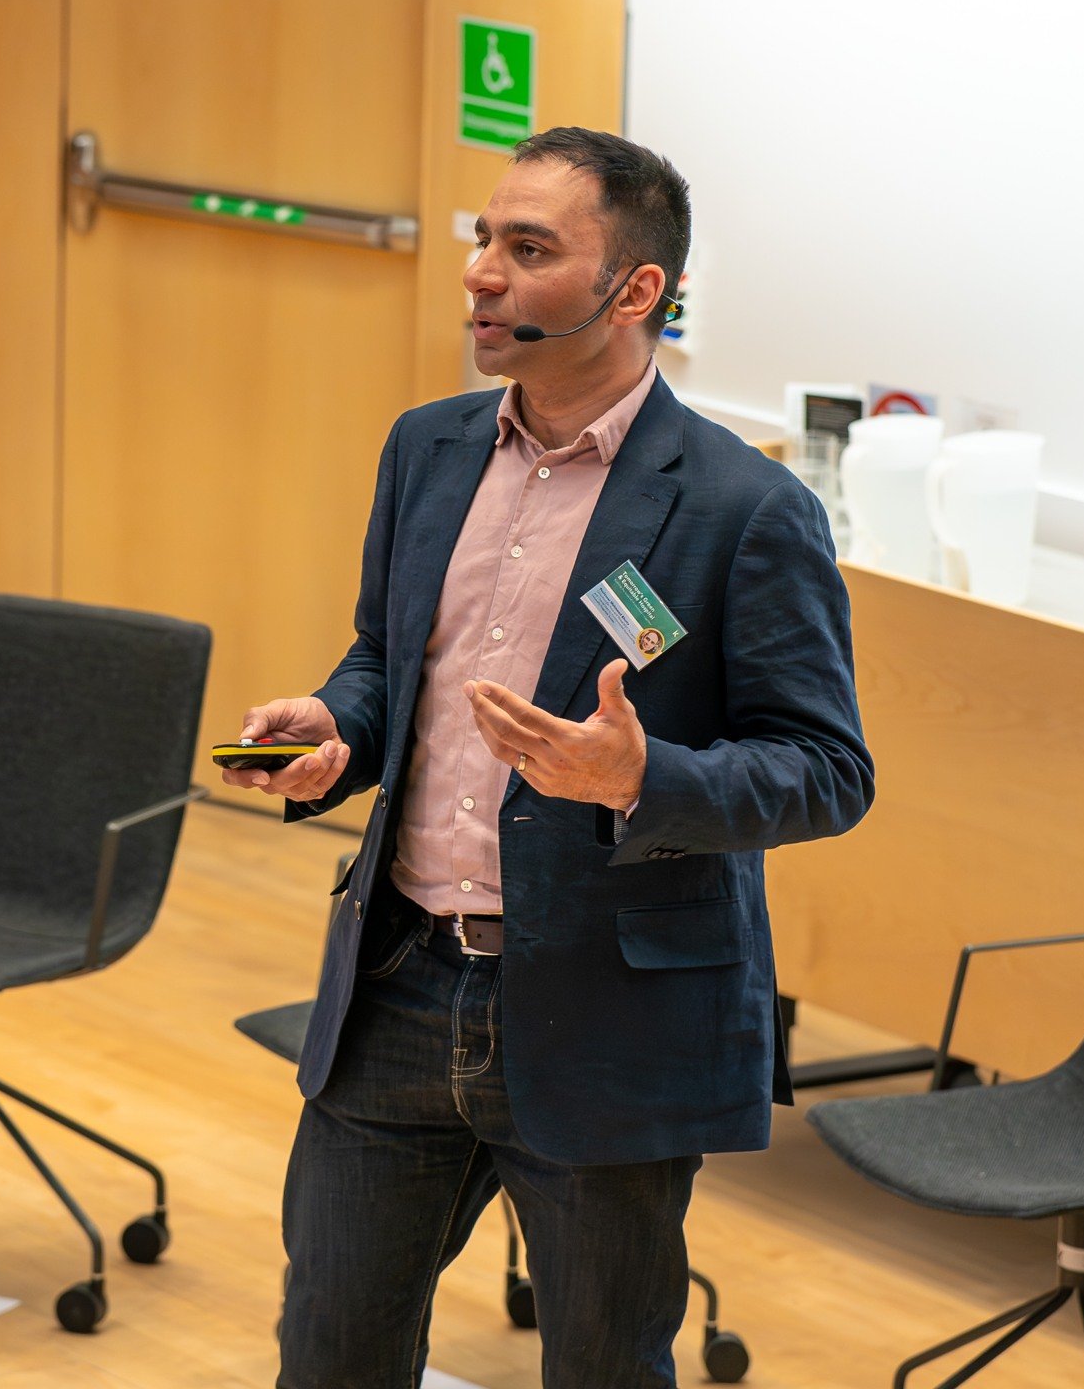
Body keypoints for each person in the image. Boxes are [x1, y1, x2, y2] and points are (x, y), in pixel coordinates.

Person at [228, 127, 874, 1387]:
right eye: (485, 239)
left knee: (601, 1367)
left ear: (634, 292)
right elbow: (389, 655)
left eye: (530, 250)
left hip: (610, 1007)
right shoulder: (428, 447)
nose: (481, 273)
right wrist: (341, 727)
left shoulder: (747, 511)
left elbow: (824, 769)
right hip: (404, 980)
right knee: (329, 1355)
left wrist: (640, 779)